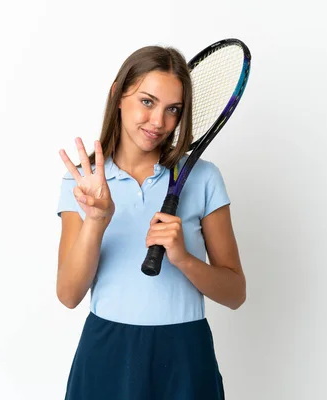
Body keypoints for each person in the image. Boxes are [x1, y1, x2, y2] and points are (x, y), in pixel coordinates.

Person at [56, 44, 246, 400]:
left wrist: (184, 259)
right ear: (118, 94)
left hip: (185, 354)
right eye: (147, 101)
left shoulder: (203, 178)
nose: (159, 122)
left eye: (173, 109)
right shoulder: (82, 184)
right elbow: (68, 295)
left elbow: (235, 293)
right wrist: (96, 220)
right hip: (108, 352)